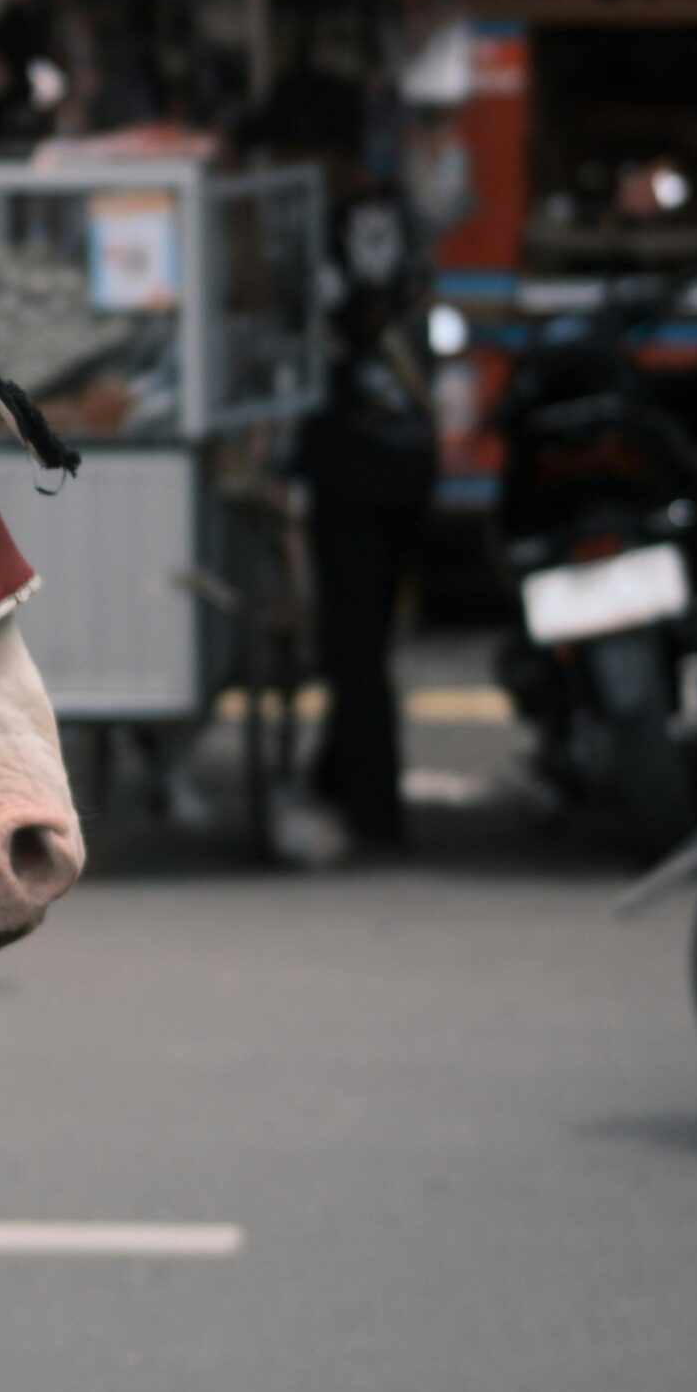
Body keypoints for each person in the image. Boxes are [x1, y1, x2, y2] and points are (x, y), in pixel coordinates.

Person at [246, 69, 438, 862]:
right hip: (406, 447)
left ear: (320, 149)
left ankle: (379, 815)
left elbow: (343, 320)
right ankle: (340, 780)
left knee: (355, 642)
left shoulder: (341, 220)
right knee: (362, 634)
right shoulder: (392, 208)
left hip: (360, 454)